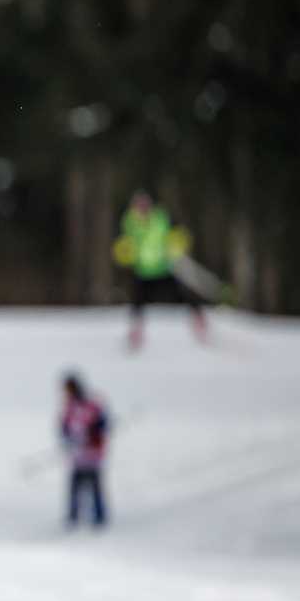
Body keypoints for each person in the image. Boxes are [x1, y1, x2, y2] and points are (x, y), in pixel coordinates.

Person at [115, 190, 207, 349]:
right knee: (137, 300)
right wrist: (124, 254)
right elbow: (124, 245)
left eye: (145, 205)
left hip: (163, 268)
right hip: (143, 271)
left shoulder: (161, 219)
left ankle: (198, 318)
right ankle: (136, 332)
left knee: (181, 294)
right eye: (139, 206)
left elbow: (178, 234)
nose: (142, 209)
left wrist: (178, 246)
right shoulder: (129, 223)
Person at [59, 372, 111, 528]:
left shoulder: (90, 404)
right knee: (75, 485)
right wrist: (67, 438)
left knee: (94, 484)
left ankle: (99, 515)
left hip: (92, 453)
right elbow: (65, 426)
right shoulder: (70, 407)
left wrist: (93, 432)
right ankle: (74, 515)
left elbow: (102, 423)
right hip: (77, 453)